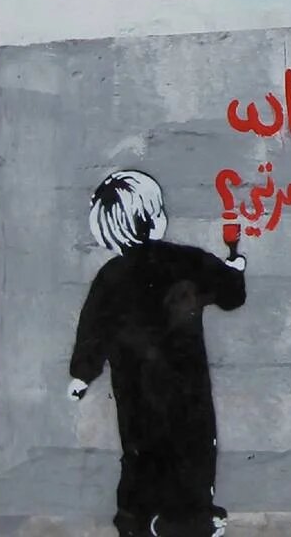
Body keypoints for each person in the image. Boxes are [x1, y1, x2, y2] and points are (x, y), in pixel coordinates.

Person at [69, 169, 248, 537]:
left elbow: (93, 330)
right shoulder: (186, 262)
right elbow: (231, 295)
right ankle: (190, 519)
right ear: (154, 218)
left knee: (138, 456)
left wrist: (82, 375)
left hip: (136, 394)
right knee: (193, 454)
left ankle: (135, 520)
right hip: (186, 391)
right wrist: (235, 268)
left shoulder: (110, 277)